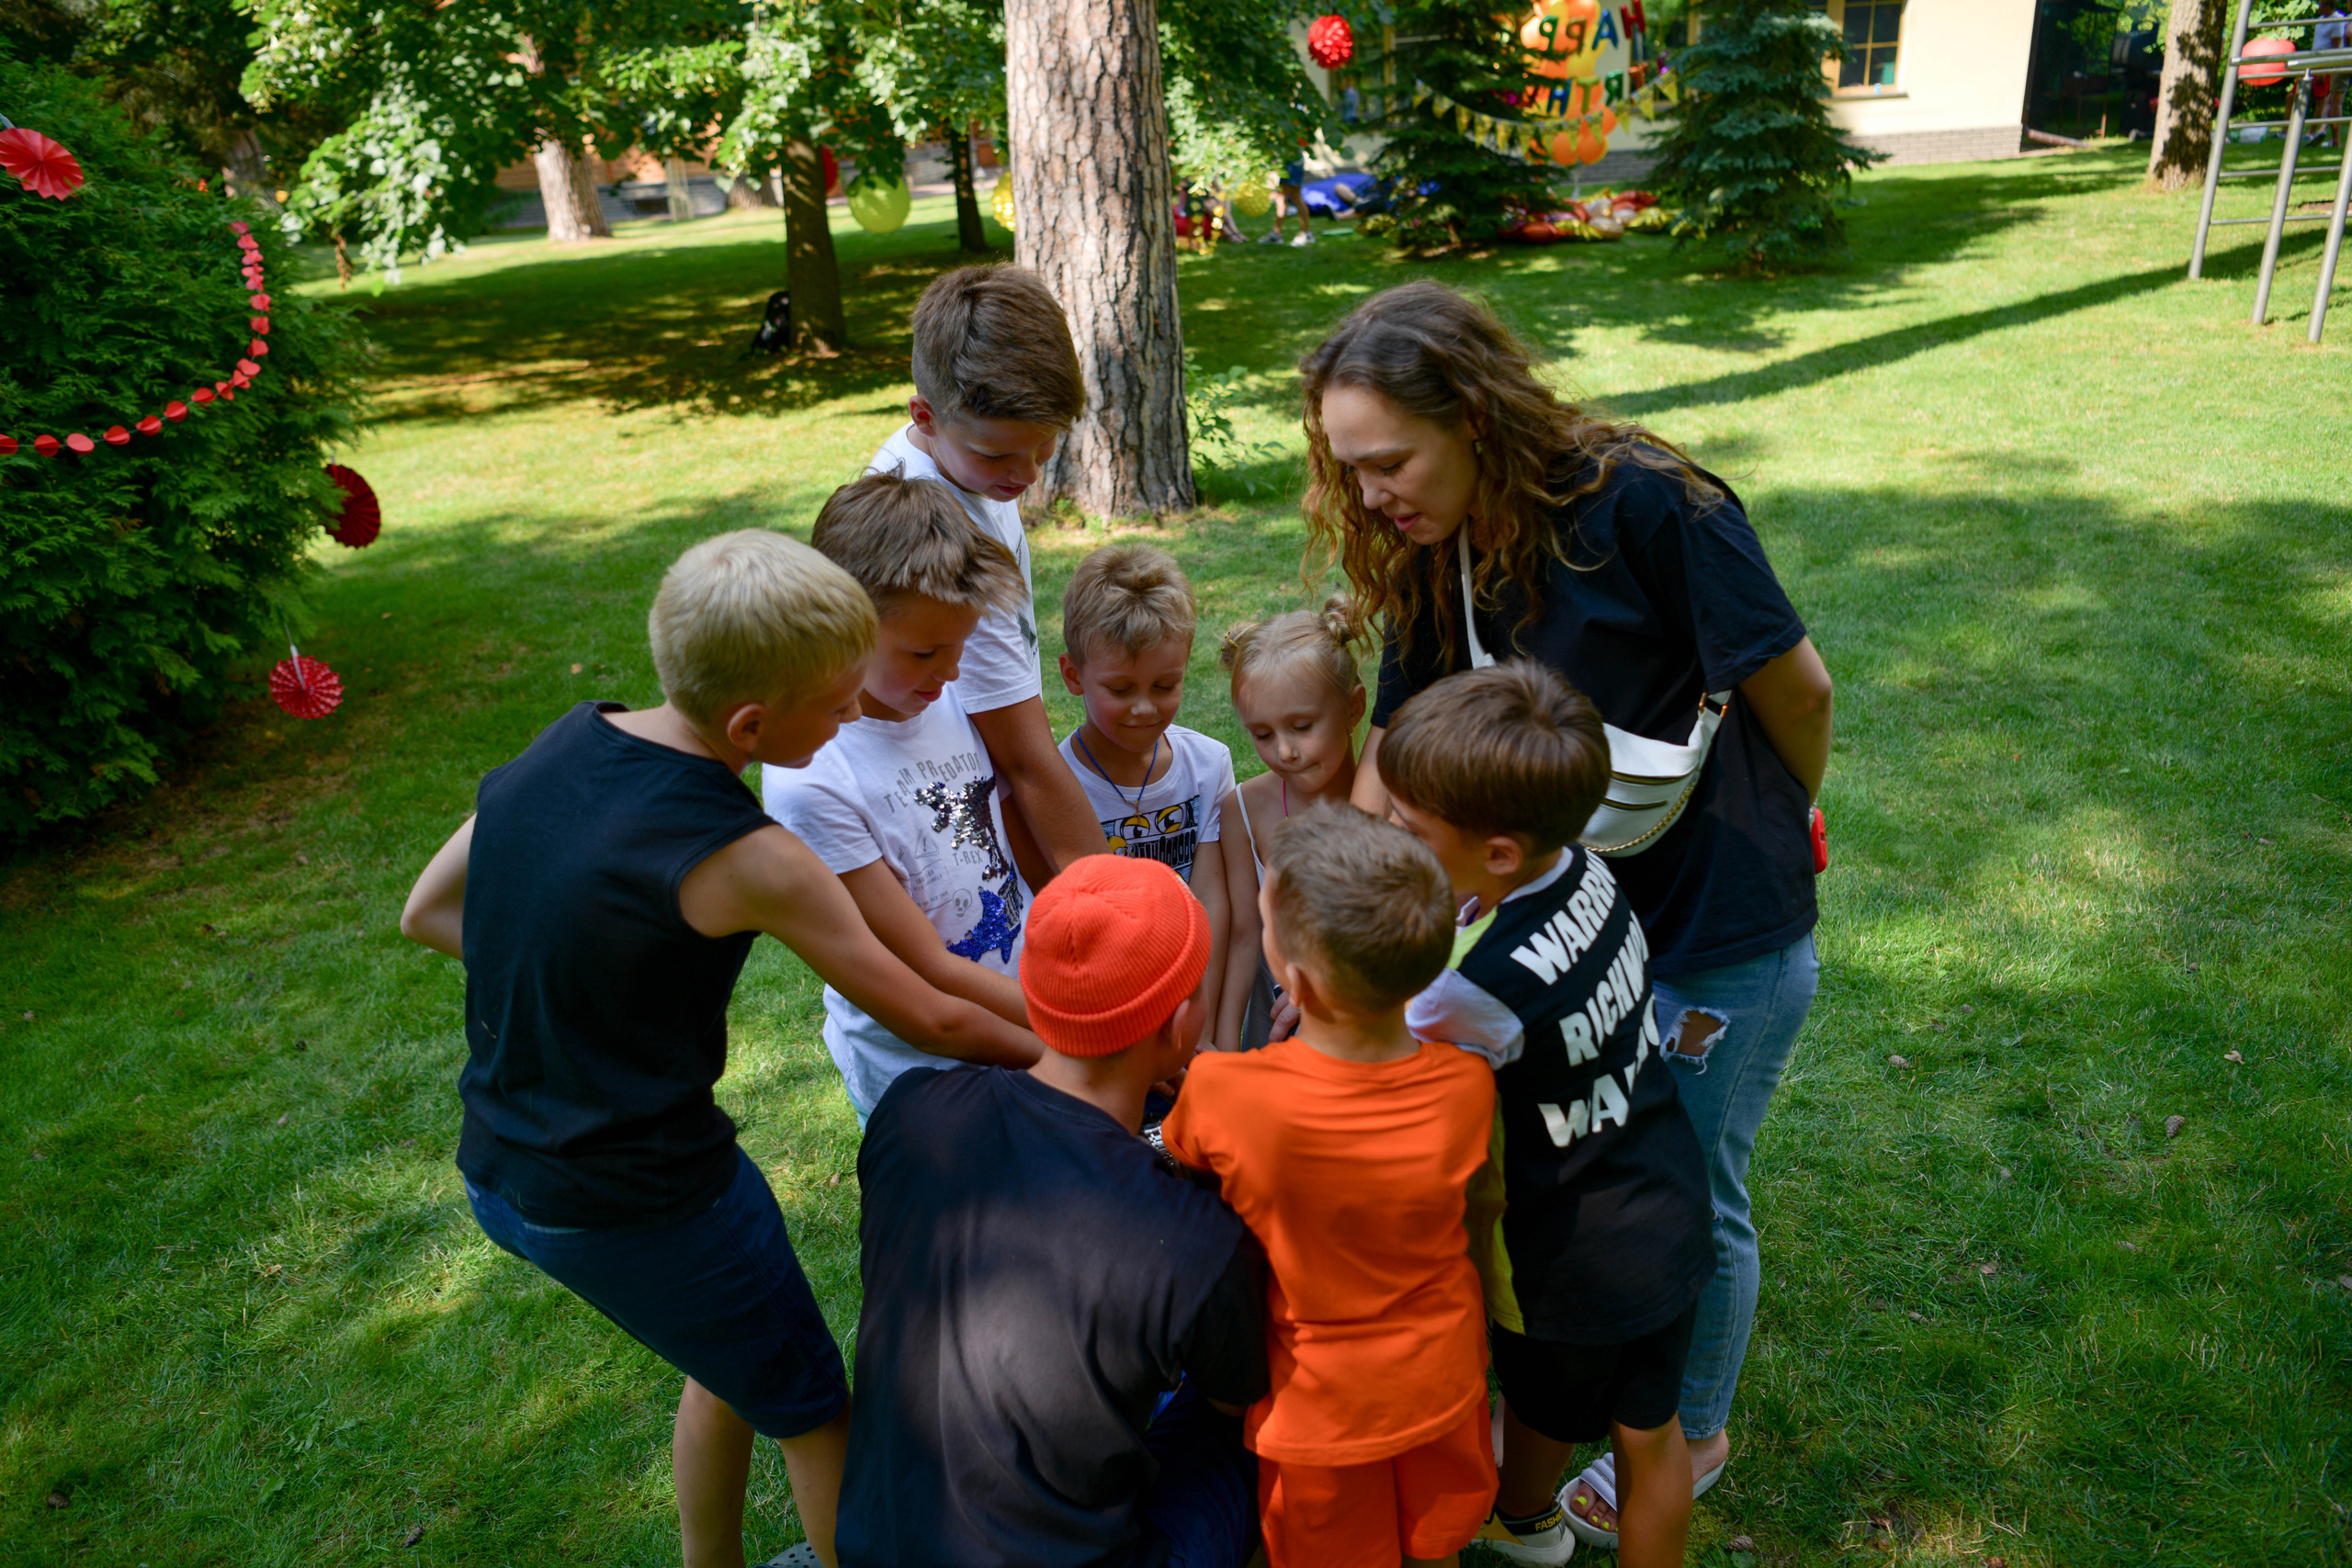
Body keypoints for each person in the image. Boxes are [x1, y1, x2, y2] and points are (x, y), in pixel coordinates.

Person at [1304, 279, 1835, 1546]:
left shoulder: (1650, 503)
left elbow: (1798, 691)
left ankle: (1689, 1430)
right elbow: (1391, 746)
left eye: (1388, 461)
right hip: (1575, 920)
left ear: (1476, 418)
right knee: (1587, 1171)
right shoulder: (1435, 545)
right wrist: (1336, 920)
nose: (1369, 495)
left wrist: (1783, 825)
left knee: (1689, 1181)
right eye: (1348, 467)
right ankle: (1573, 1385)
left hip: (1716, 917)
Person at [397, 529, 1044, 1568]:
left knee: (731, 1358)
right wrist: (1080, 1054)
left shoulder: (566, 743)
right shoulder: (752, 857)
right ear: (751, 724)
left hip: (504, 1170)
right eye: (835, 703)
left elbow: (427, 909)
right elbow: (929, 1014)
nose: (851, 715)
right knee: (814, 1408)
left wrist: (581, 976)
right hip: (648, 1195)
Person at [838, 853, 1270, 1568]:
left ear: (1036, 998)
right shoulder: (1191, 1234)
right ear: (1181, 1025)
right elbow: (1236, 1398)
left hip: (880, 1547)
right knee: (1262, 1420)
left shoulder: (908, 1113)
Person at [1383, 661, 1717, 1568]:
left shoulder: (1465, 990)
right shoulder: (1588, 870)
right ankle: (1523, 1515)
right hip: (1665, 1205)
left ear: (1498, 852)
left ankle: (1524, 1515)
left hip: (1560, 1259)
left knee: (1538, 1392)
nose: (1393, 833)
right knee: (1649, 1438)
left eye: (1411, 826)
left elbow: (1392, 1076)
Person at [1161, 806, 1498, 1568]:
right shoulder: (1467, 1084)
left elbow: (1184, 1153)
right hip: (1443, 1377)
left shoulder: (1225, 1093)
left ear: (1298, 981)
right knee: (1434, 1545)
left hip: (1321, 1409)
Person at [763, 472, 1041, 1125]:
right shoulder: (814, 779)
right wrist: (1083, 1033)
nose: (951, 671)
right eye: (924, 652)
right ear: (843, 625)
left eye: (962, 645)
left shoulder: (944, 693)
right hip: (924, 1081)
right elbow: (929, 969)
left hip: (1024, 1008)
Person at [866, 264, 1104, 890]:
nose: (1027, 474)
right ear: (925, 415)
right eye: (998, 454)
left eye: (1045, 444)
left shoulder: (948, 451)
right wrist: (1114, 900)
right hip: (954, 824)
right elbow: (1022, 761)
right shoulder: (945, 545)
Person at [1056, 542, 1248, 1050]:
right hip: (1109, 1015)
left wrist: (1200, 1029)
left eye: (1165, 686)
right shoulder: (1056, 784)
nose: (1144, 708)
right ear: (1073, 676)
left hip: (1195, 997)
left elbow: (1211, 900)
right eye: (1121, 690)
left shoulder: (1208, 765)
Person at [1215, 595, 1366, 1049]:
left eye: (1302, 726)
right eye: (1263, 734)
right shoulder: (1243, 810)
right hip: (1273, 1040)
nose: (1284, 752)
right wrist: (1224, 1048)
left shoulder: (1396, 805)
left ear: (1354, 708)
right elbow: (1244, 937)